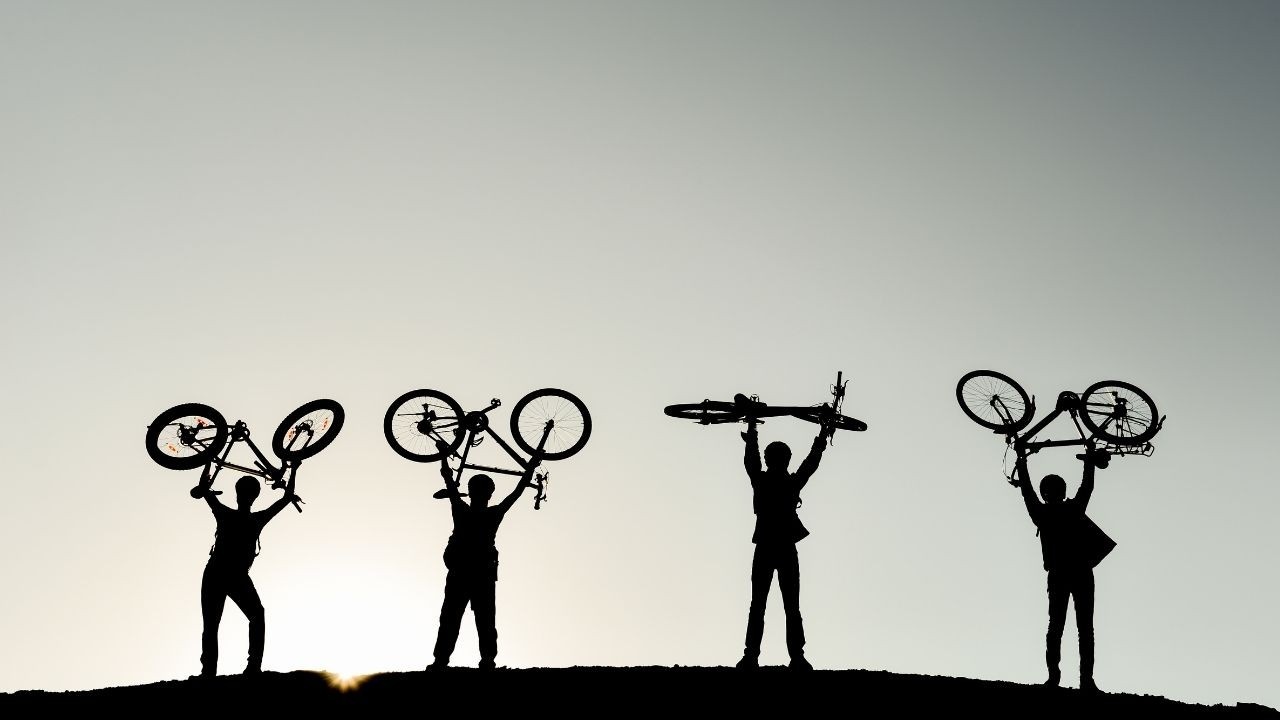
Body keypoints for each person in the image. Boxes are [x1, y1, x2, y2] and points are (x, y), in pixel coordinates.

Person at [428, 440, 543, 670]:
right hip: (480, 573)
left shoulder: (461, 509)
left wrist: (443, 454)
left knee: (452, 617)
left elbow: (447, 478)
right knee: (483, 618)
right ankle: (485, 660)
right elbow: (518, 491)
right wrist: (531, 467)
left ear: (470, 492)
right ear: (490, 494)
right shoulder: (493, 513)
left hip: (462, 571)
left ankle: (442, 661)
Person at [1011, 442, 1114, 692]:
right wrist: (1089, 462)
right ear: (1062, 491)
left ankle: (1054, 678)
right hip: (1081, 572)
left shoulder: (1041, 514)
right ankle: (1085, 680)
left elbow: (1027, 491)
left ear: (1045, 493)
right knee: (1083, 629)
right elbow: (1086, 487)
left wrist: (1022, 461)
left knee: (1056, 626)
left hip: (1059, 574)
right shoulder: (1073, 509)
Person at [735, 417, 834, 671]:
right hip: (785, 548)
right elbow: (810, 465)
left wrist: (752, 431)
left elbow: (751, 461)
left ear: (769, 459)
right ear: (786, 460)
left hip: (766, 547)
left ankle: (752, 656)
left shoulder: (762, 481)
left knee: (760, 604)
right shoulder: (790, 483)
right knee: (789, 606)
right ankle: (795, 656)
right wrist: (822, 437)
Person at [191, 460, 300, 677]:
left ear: (237, 494)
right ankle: (252, 667)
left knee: (212, 624)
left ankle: (210, 672)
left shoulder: (225, 514)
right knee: (255, 615)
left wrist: (208, 461)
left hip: (217, 573)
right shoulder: (256, 519)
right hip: (234, 575)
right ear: (255, 497)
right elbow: (287, 497)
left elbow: (203, 488)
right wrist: (294, 468)